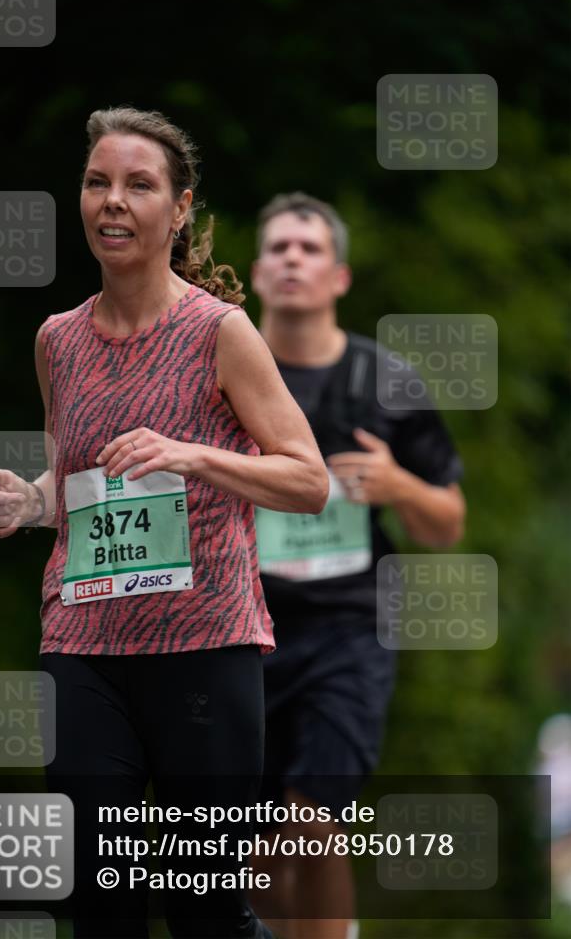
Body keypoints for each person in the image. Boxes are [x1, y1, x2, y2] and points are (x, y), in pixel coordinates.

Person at [0, 110, 329, 939]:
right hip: (84, 648)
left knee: (202, 908)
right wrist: (26, 503)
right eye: (98, 182)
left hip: (204, 649)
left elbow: (307, 480)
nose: (113, 201)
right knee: (99, 897)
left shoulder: (219, 333)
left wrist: (194, 456)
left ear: (179, 209)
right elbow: (79, 482)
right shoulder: (56, 340)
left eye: (139, 185)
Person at [248, 193, 466, 939]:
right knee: (252, 868)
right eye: (277, 247)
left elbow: (446, 524)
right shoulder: (220, 376)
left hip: (350, 627)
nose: (291, 260)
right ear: (253, 271)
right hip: (242, 629)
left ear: (338, 276)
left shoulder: (386, 382)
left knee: (314, 819)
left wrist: (399, 485)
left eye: (308, 249)